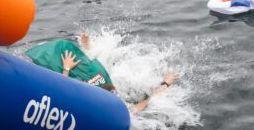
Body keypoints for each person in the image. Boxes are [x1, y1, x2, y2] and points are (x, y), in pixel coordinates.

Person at [32, 34, 179, 115]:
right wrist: (86, 46)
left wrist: (166, 83)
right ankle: (86, 48)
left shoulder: (122, 112)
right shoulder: (97, 85)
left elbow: (149, 100)